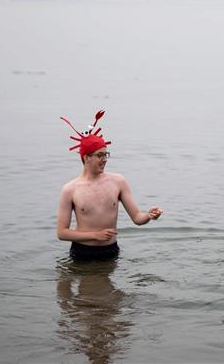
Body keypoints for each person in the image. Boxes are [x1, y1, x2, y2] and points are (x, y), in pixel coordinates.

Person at [56, 110, 163, 261]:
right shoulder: (70, 189)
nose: (105, 159)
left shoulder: (118, 181)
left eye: (106, 154)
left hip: (111, 251)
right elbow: (62, 233)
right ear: (86, 157)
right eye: (100, 155)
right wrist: (95, 235)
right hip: (82, 252)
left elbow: (137, 218)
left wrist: (149, 215)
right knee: (87, 285)